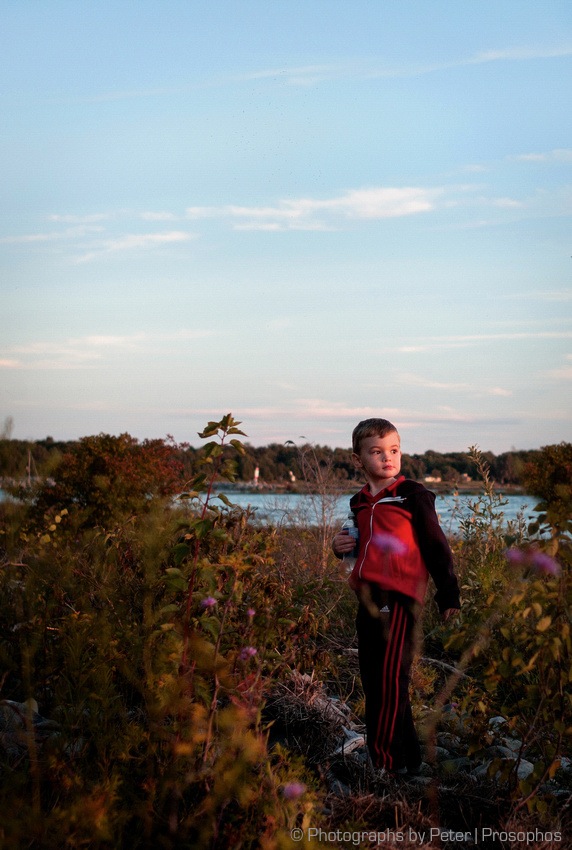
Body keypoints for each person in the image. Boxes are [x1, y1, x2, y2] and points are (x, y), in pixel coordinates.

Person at [332, 418, 460, 776]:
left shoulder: (413, 496)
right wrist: (337, 547)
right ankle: (407, 760)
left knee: (391, 679)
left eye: (393, 450)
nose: (388, 457)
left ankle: (385, 765)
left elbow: (437, 546)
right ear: (358, 460)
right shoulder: (359, 502)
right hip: (369, 598)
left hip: (401, 597)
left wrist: (448, 592)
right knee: (375, 679)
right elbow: (354, 547)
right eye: (377, 452)